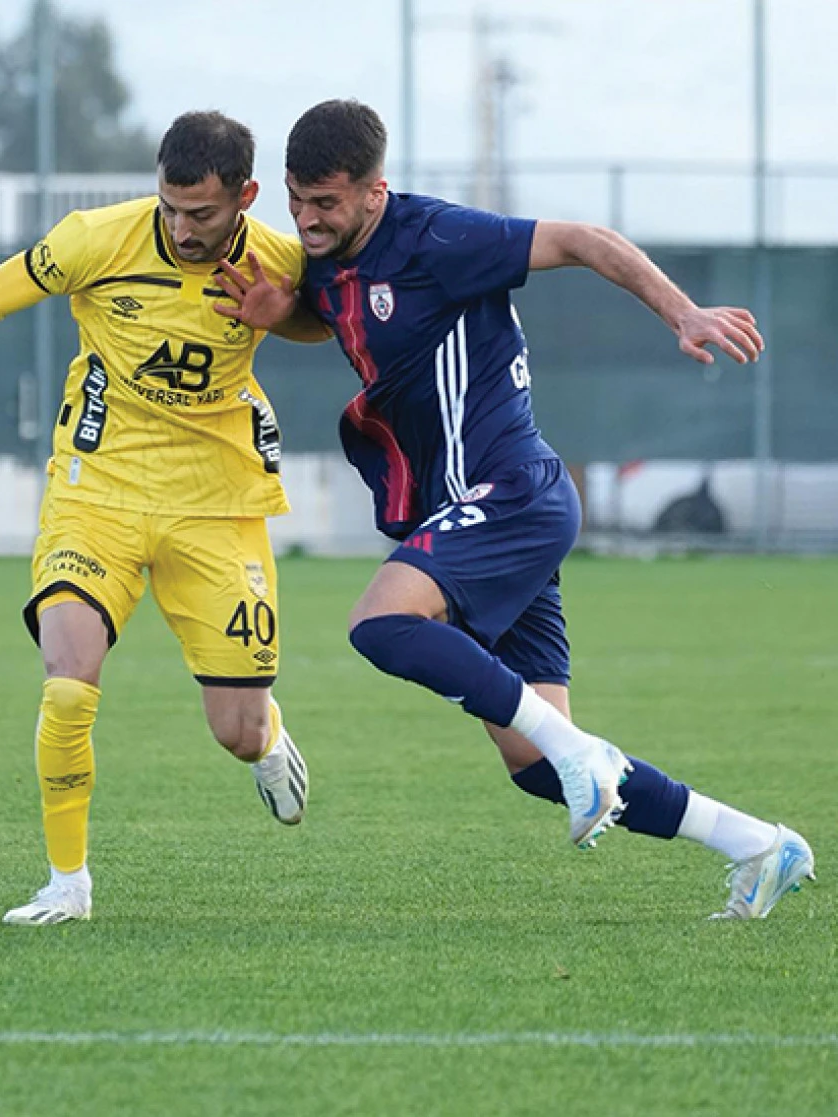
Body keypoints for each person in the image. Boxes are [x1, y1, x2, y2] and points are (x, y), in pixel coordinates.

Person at [214, 99, 814, 920]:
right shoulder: (328, 258)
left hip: (510, 492)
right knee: (534, 763)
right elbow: (333, 313)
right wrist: (278, 315)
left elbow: (583, 240)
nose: (307, 219)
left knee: (380, 624)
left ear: (375, 191)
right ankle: (760, 844)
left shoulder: (437, 237)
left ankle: (582, 756)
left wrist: (684, 312)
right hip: (482, 508)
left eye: (326, 202)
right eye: (296, 200)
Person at [0, 112, 314, 927]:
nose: (181, 228)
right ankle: (67, 882)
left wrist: (282, 314)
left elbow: (331, 322)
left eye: (202, 214)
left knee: (237, 730)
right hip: (95, 488)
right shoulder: (94, 240)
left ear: (246, 197)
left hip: (216, 505)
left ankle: (267, 736)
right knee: (68, 682)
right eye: (169, 207)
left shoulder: (281, 260)